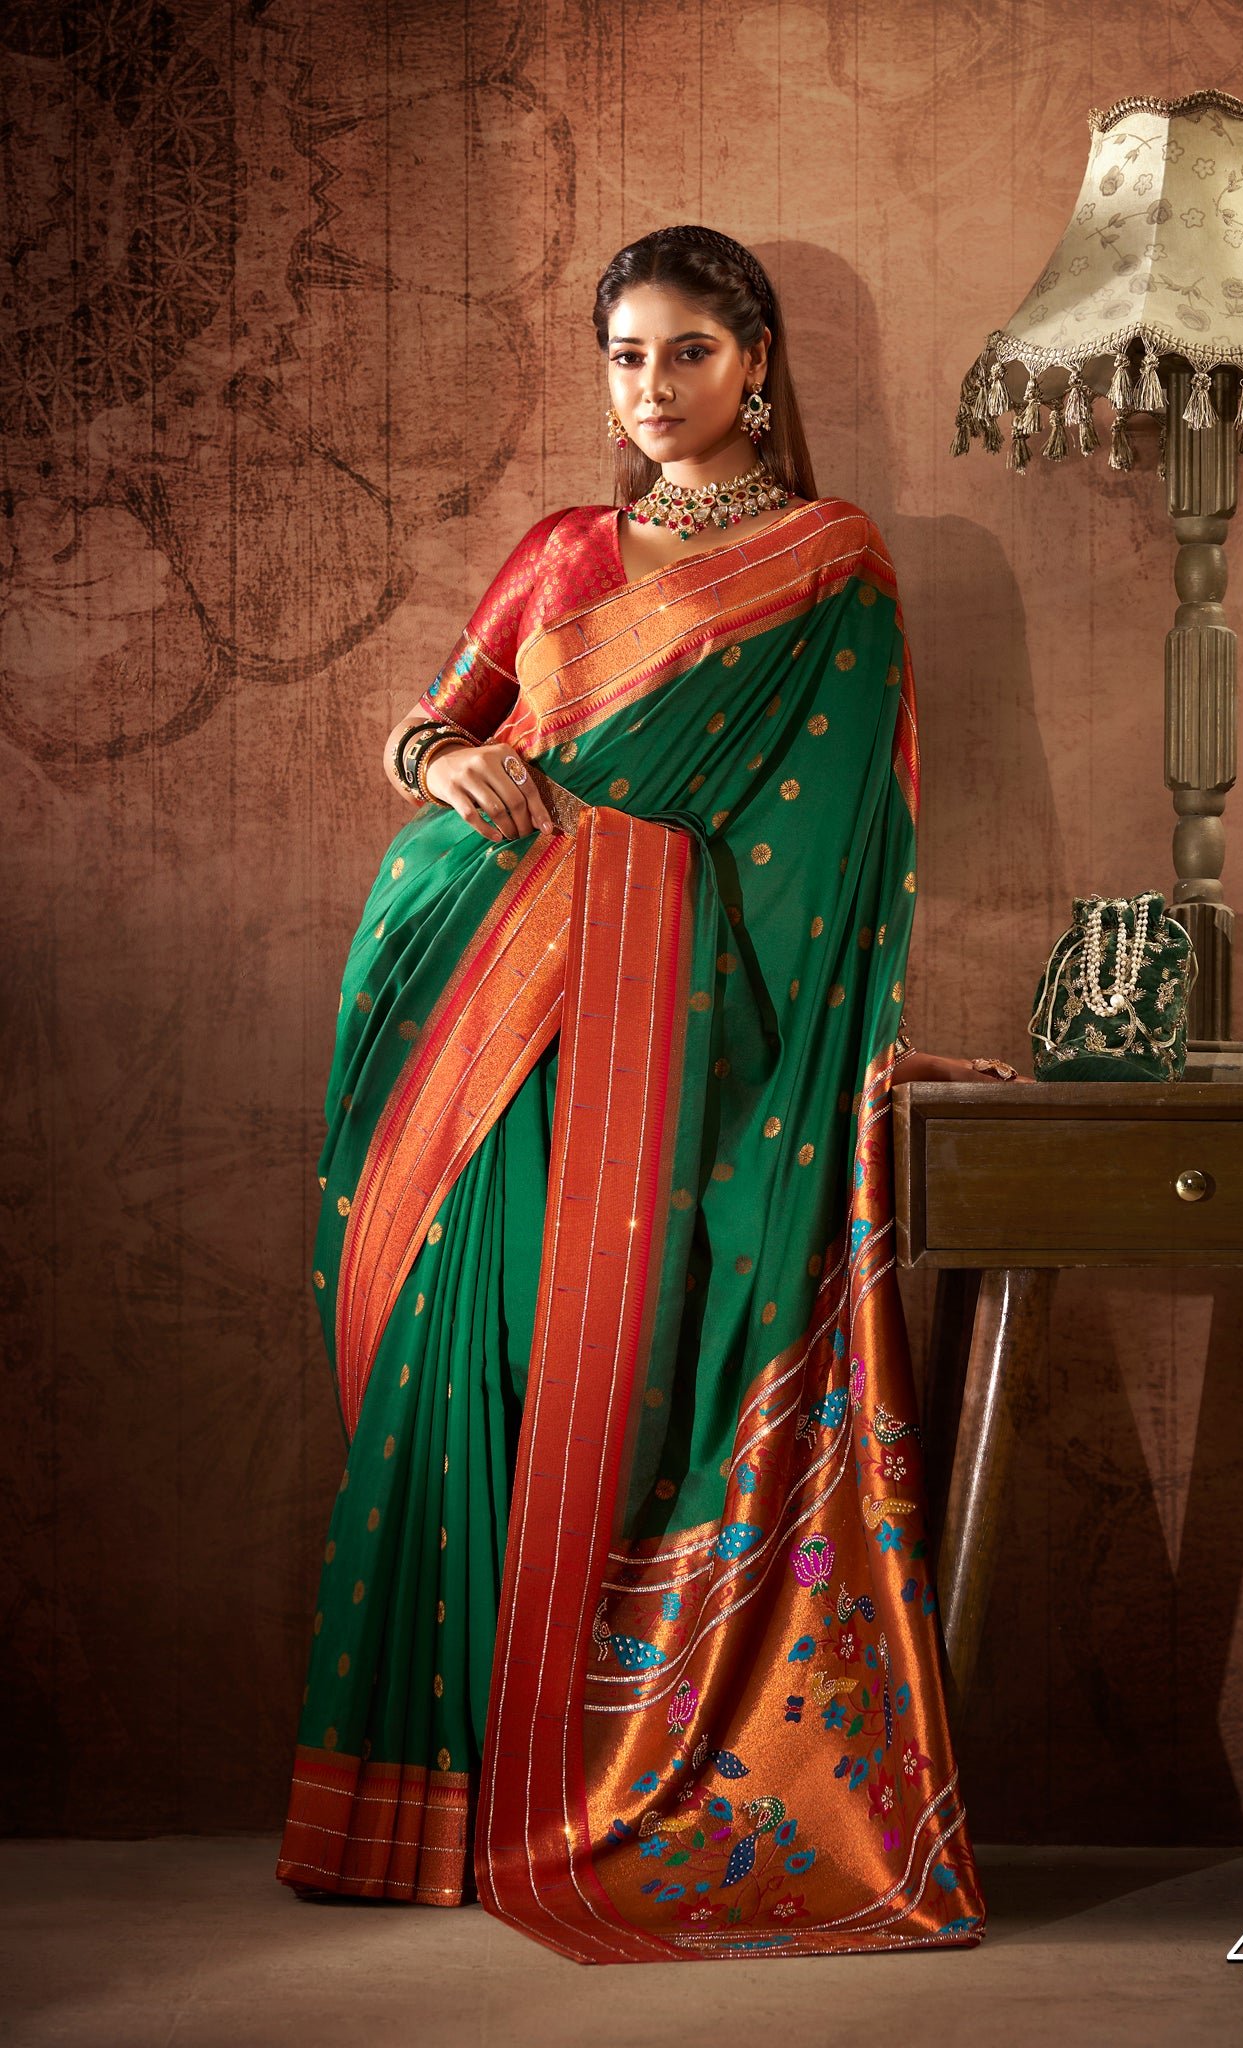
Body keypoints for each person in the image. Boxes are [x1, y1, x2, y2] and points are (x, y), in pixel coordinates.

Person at [274, 223, 1012, 1965]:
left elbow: (837, 861)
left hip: (671, 1040)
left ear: (757, 361)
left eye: (687, 351)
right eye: (624, 355)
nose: (653, 388)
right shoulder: (560, 551)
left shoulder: (831, 567)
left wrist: (853, 1043)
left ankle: (580, 1783)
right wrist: (446, 758)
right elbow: (432, 725)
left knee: (603, 1374)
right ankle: (428, 1812)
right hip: (471, 1010)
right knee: (469, 1373)